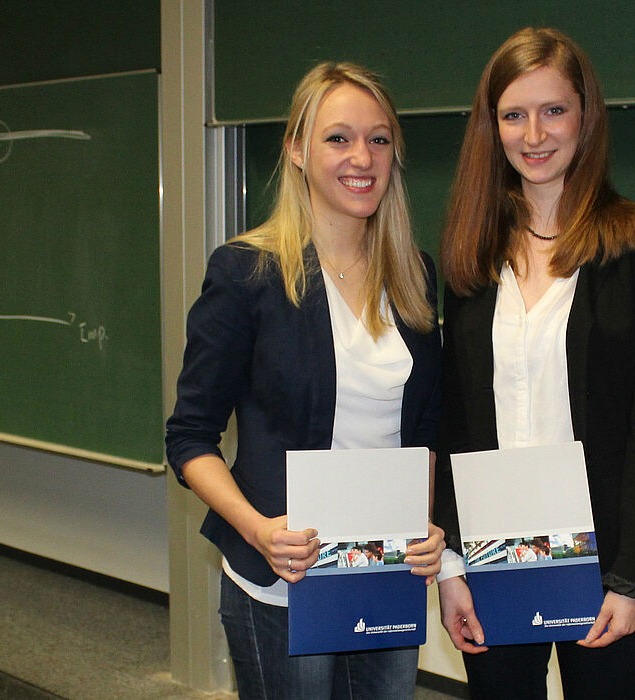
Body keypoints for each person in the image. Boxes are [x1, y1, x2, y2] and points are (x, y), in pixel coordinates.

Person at [165, 61, 445, 700]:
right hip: (283, 576)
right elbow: (189, 439)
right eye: (338, 138)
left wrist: (424, 526)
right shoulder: (247, 273)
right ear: (296, 149)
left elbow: (424, 430)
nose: (362, 158)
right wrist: (256, 528)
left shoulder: (414, 275)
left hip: (383, 572)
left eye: (379, 139)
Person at [433, 27, 635, 700]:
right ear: (492, 128)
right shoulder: (468, 255)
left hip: (607, 565)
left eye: (553, 110)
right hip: (494, 557)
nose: (535, 134)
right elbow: (453, 423)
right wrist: (451, 566)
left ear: (586, 115)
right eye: (514, 115)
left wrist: (632, 579)